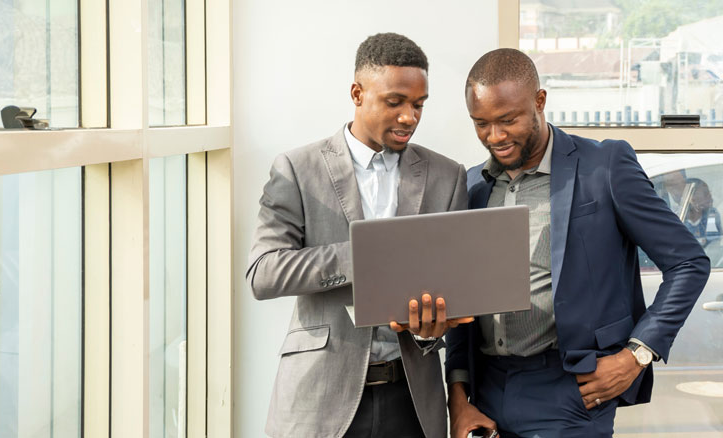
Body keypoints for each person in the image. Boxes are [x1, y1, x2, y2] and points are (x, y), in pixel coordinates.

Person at [445, 48, 711, 438]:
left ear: (540, 102)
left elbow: (688, 263)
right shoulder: (471, 186)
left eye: (507, 120)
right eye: (481, 123)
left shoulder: (604, 167)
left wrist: (636, 355)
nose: (495, 136)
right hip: (487, 395)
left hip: (571, 391)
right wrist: (458, 400)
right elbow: (462, 303)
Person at [247, 33, 471, 438]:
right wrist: (366, 255)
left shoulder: (447, 176)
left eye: (418, 105)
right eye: (395, 102)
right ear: (357, 92)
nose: (409, 117)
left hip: (413, 401)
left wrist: (428, 329)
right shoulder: (297, 169)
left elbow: (452, 287)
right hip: (319, 397)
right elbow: (263, 273)